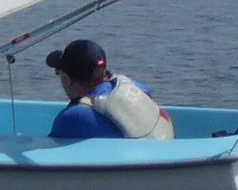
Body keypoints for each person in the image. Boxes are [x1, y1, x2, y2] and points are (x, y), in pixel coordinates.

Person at [45, 39, 174, 140]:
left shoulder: (72, 117)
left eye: (58, 73)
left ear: (67, 78)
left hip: (136, 169)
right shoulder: (133, 86)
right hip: (164, 154)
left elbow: (48, 153)